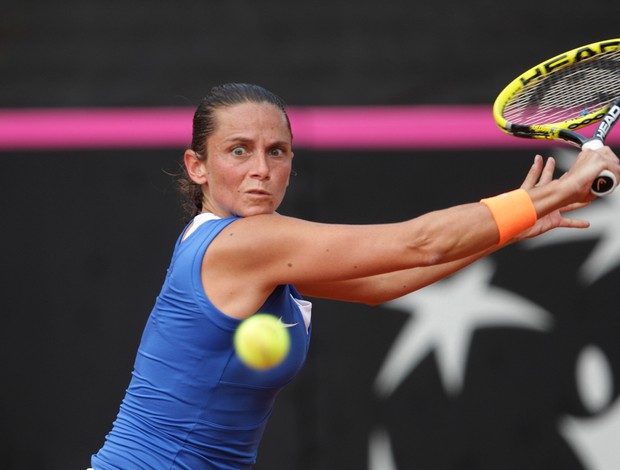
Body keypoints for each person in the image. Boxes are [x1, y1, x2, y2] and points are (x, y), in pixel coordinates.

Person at [90, 83, 620, 469]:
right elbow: (420, 241)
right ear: (196, 166)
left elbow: (384, 283)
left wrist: (508, 230)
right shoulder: (245, 242)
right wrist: (560, 191)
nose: (261, 169)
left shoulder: (258, 253)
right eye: (238, 151)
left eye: (276, 152)